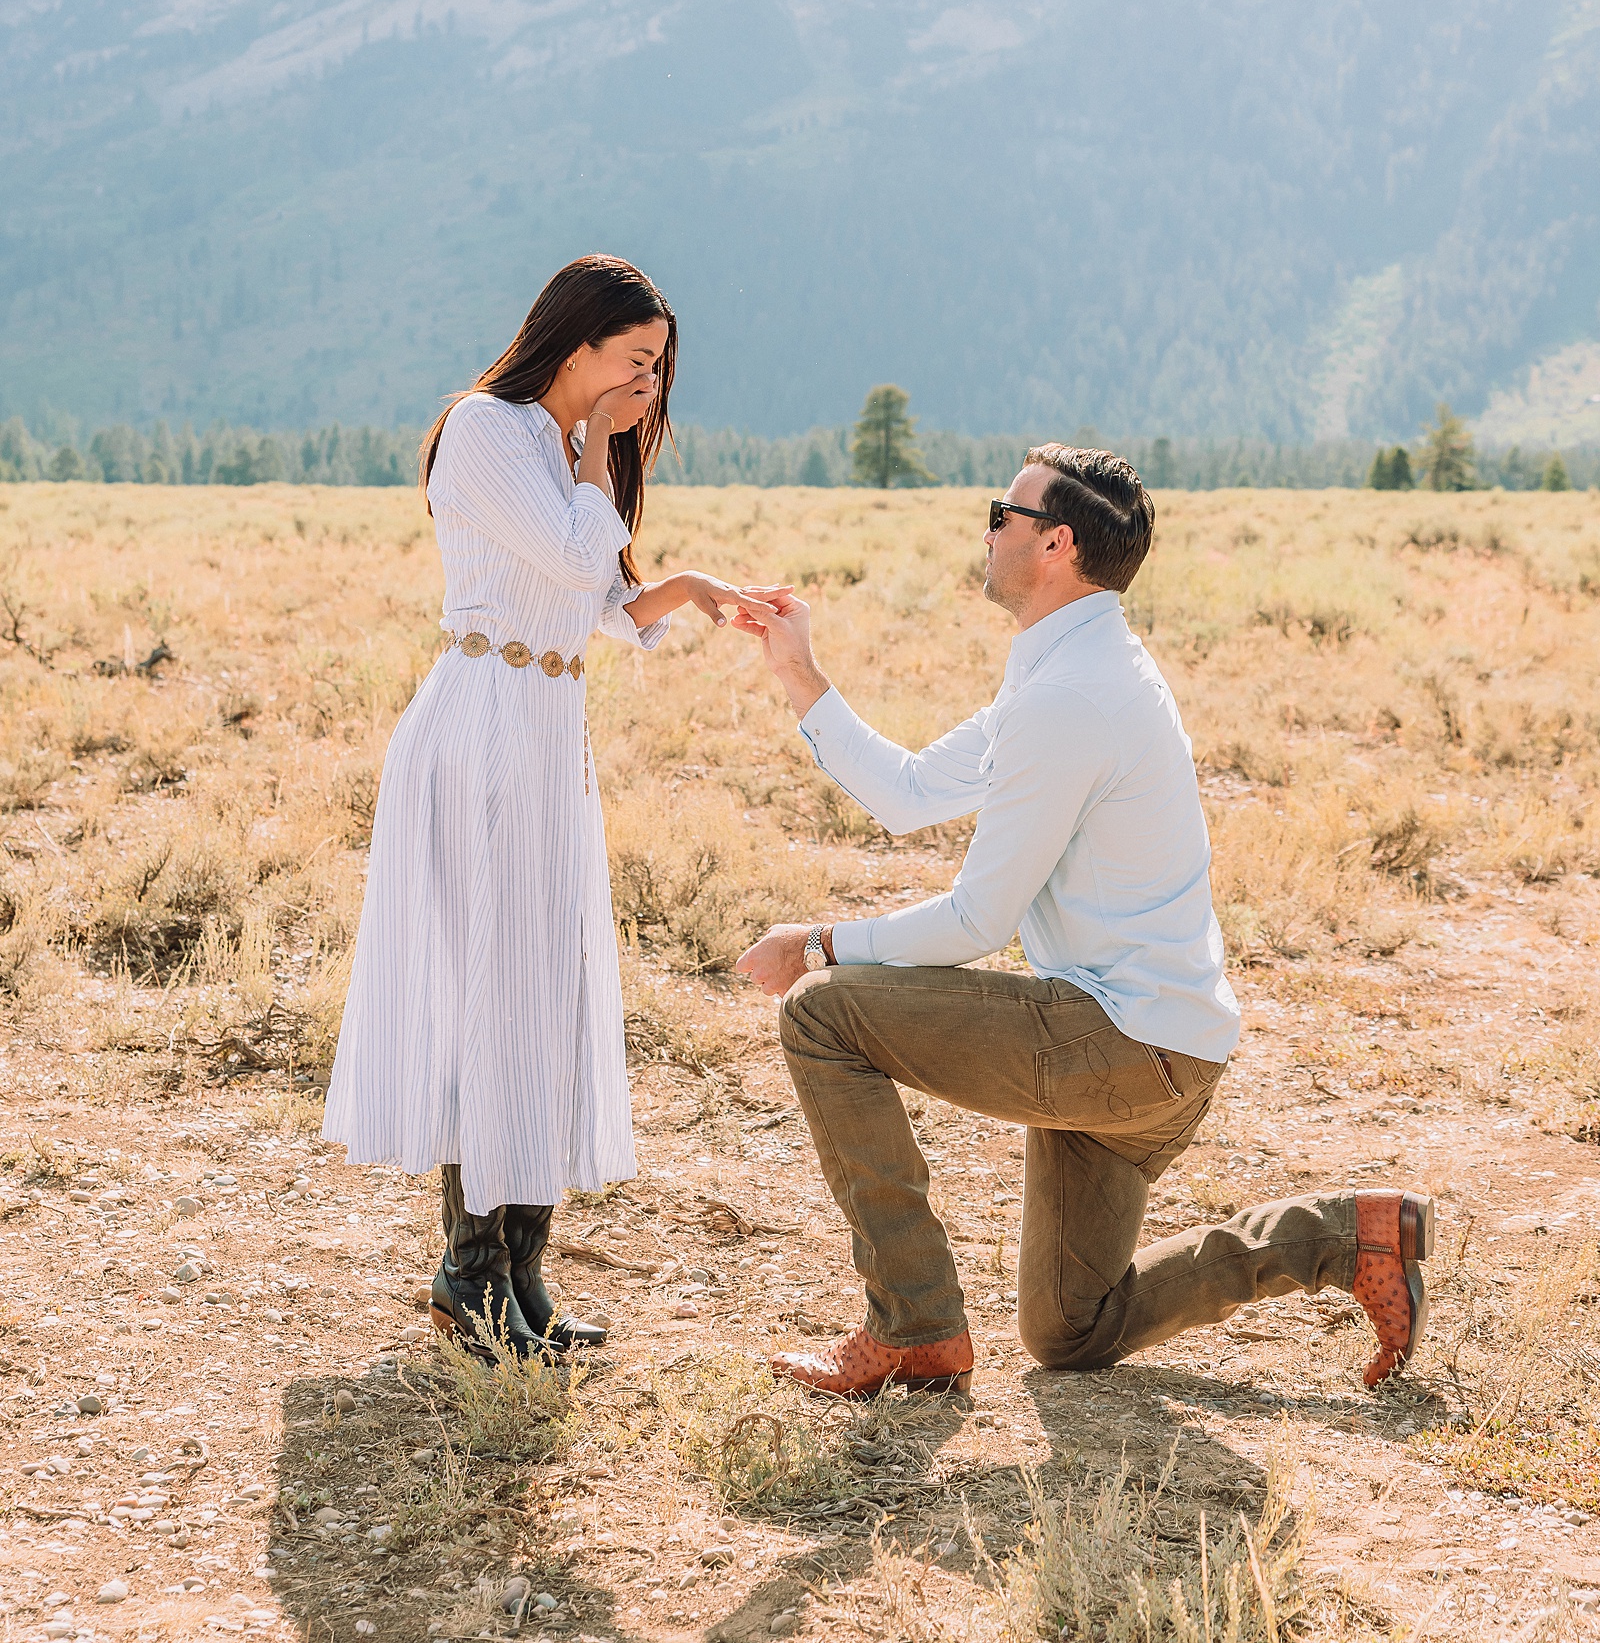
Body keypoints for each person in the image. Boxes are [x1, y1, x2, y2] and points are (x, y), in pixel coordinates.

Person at [734, 446, 1432, 1399]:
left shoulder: (1069, 694)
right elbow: (907, 792)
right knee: (1071, 1327)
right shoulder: (1073, 668)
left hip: (1123, 1044)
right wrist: (798, 669)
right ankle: (1347, 1237)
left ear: (1055, 542)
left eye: (1000, 513)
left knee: (821, 1011)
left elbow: (978, 917)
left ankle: (914, 1328)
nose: (986, 530)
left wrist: (817, 945)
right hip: (1159, 1050)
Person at [325, 255, 763, 1358]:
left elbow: (602, 602)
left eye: (658, 369)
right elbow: (574, 559)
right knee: (493, 998)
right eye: (634, 362)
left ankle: (520, 1276)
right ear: (576, 345)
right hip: (478, 730)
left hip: (542, 735)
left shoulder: (565, 450)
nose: (647, 387)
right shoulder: (489, 427)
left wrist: (692, 588)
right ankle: (467, 1275)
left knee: (542, 1000)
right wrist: (602, 451)